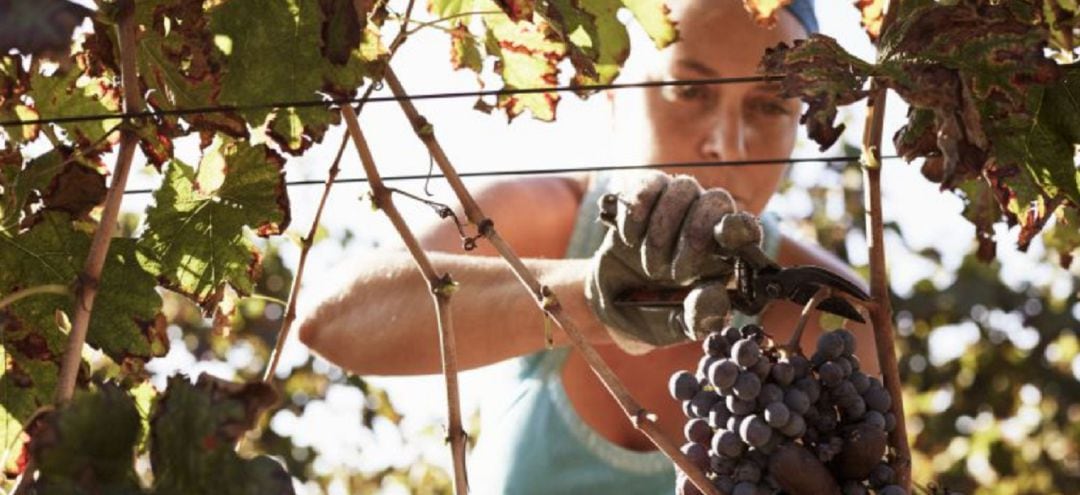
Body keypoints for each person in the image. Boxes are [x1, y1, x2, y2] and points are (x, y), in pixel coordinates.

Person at [300, 0, 874, 492]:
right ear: (615, 89)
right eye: (688, 88)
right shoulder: (544, 219)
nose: (724, 143)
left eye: (769, 106)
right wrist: (594, 301)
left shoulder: (830, 315)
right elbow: (331, 321)